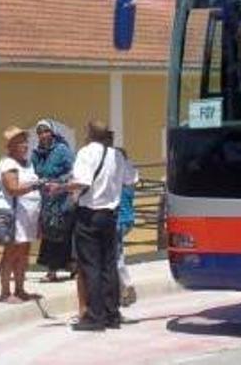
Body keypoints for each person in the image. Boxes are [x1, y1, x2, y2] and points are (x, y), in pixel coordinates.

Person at [55, 120, 136, 332]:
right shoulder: (117, 155)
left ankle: (94, 316)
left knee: (91, 266)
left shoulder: (85, 153)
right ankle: (112, 314)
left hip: (89, 214)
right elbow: (132, 178)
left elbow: (82, 181)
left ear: (89, 133)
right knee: (109, 265)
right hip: (110, 215)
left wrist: (60, 187)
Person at [0, 126, 43, 303]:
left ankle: (20, 289)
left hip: (26, 217)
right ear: (11, 146)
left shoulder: (27, 163)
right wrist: (36, 186)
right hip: (13, 215)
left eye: (25, 141)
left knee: (23, 252)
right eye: (21, 142)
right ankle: (5, 292)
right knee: (11, 252)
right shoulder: (8, 164)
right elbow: (13, 189)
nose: (25, 145)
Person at [31, 119, 75, 283]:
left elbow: (74, 170)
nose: (43, 135)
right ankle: (57, 268)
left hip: (62, 199)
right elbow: (34, 172)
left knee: (61, 234)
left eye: (46, 131)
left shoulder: (62, 150)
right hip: (45, 200)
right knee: (49, 234)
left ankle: (59, 269)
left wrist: (60, 182)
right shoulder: (36, 154)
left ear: (52, 132)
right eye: (40, 132)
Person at [115, 147, 139, 307]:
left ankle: (127, 285)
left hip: (117, 221)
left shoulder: (118, 178)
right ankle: (121, 292)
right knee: (117, 253)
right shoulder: (131, 176)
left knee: (116, 256)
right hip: (128, 219)